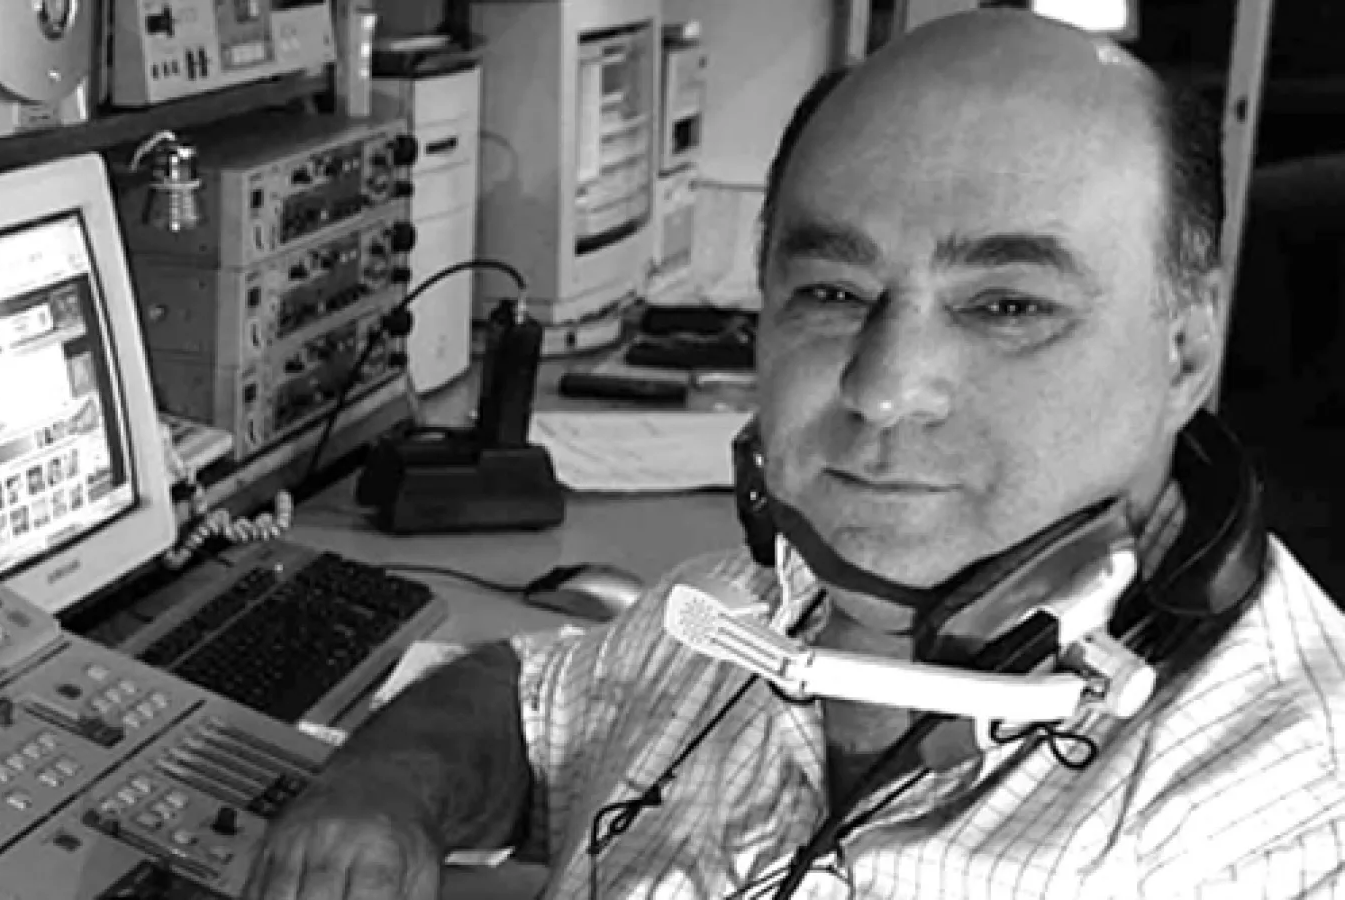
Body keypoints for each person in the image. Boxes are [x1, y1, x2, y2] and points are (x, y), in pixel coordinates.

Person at [244, 10, 1345, 900]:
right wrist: (387, 793)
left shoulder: (1289, 816)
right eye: (833, 292)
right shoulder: (764, 600)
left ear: (1184, 351)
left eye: (1007, 305)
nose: (883, 386)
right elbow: (532, 712)